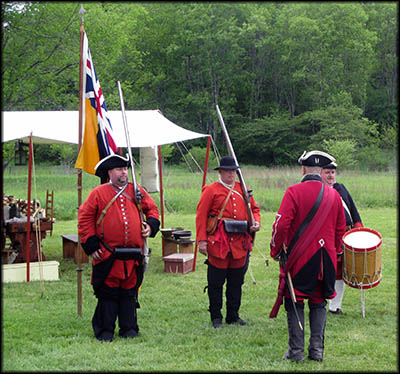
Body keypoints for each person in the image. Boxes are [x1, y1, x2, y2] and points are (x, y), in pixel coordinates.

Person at [269, 150, 346, 362]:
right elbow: (341, 229)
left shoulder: (294, 191)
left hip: (300, 259)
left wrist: (275, 249)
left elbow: (281, 224)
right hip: (326, 260)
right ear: (321, 171)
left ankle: (295, 352)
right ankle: (317, 351)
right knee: (319, 302)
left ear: (303, 169)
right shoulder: (334, 195)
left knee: (295, 300)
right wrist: (334, 250)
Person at [78, 154, 160, 342]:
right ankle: (105, 330)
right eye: (119, 169)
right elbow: (85, 218)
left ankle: (129, 328)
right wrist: (90, 244)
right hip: (108, 252)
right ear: (110, 173)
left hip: (134, 254)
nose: (123, 172)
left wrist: (151, 224)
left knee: (129, 291)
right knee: (108, 292)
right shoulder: (98, 193)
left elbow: (152, 209)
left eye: (125, 169)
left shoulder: (137, 191)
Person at [196, 156, 261, 328]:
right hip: (219, 244)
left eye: (233, 170)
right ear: (221, 172)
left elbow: (254, 209)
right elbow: (201, 216)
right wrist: (202, 240)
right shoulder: (211, 190)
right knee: (215, 283)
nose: (231, 173)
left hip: (240, 244)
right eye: (227, 170)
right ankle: (216, 317)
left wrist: (256, 222)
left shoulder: (243, 189)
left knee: (236, 282)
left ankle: (233, 315)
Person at [321, 161, 363, 315]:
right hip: (329, 237)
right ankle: (320, 302)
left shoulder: (341, 188)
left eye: (332, 172)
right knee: (326, 270)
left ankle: (335, 306)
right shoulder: (320, 191)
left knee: (341, 273)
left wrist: (359, 229)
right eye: (327, 172)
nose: (331, 175)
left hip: (347, 236)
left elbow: (352, 209)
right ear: (321, 174)